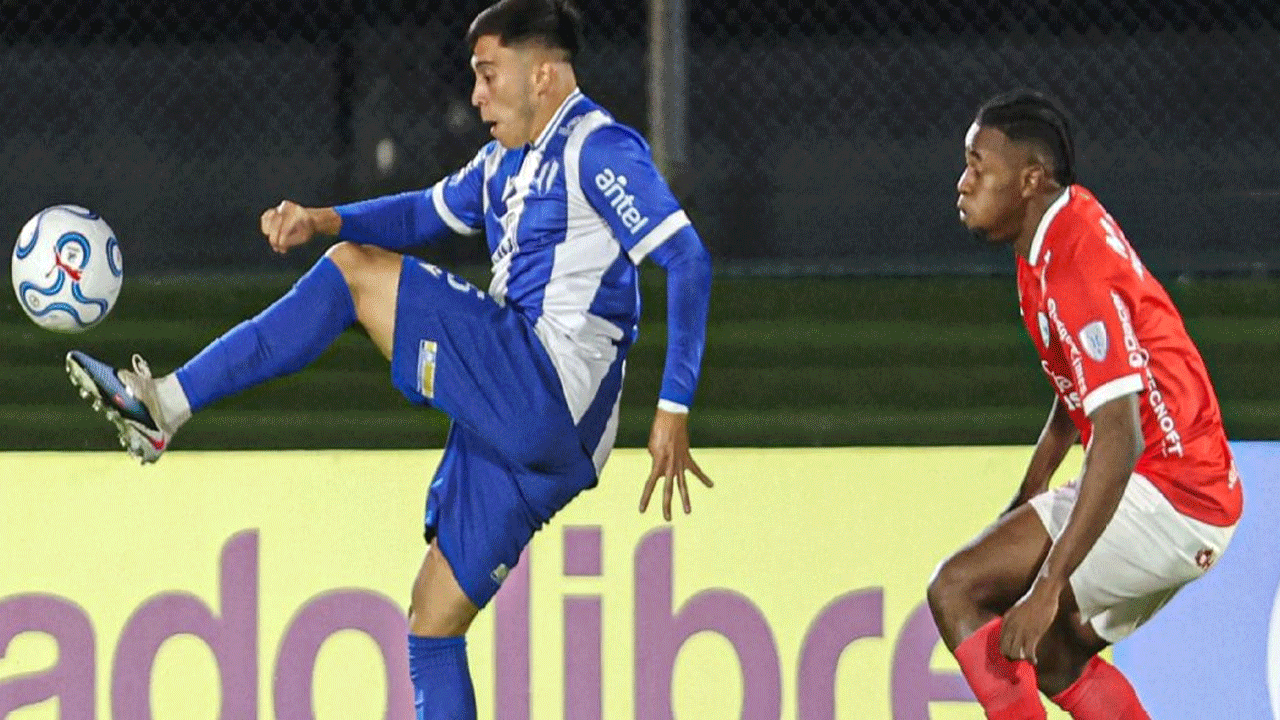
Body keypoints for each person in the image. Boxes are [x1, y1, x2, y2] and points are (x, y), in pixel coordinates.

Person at [65, 0, 714, 717]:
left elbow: (686, 258)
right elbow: (426, 214)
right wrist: (323, 218)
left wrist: (674, 405)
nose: (475, 96)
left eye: (489, 74)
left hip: (542, 384)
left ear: (546, 76)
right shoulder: (504, 162)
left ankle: (166, 404)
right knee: (432, 622)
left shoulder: (597, 146)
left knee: (351, 273)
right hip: (546, 441)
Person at [927, 89, 1243, 720]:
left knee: (958, 587)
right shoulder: (1054, 225)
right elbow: (1085, 370)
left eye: (977, 167)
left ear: (1029, 179)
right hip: (1194, 491)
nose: (962, 183)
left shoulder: (1073, 265)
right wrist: (1037, 479)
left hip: (1170, 491)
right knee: (1055, 656)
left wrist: (1047, 586)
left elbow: (1120, 436)